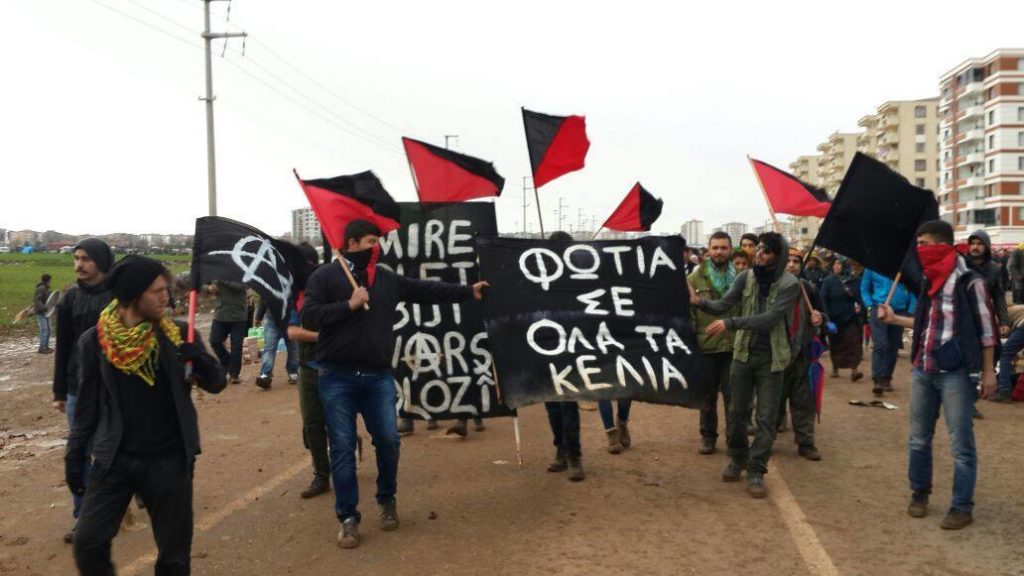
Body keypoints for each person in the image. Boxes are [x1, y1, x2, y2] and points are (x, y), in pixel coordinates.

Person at [301, 219, 488, 549]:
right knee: (343, 448)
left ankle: (387, 499)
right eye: (372, 241)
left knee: (388, 440)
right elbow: (309, 316)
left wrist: (467, 292)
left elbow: (425, 289)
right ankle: (347, 518)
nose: (378, 247)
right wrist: (348, 305)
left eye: (379, 241)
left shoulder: (385, 278)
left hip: (378, 378)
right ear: (353, 243)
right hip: (336, 377)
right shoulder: (325, 277)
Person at [66, 256, 226, 573]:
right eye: (157, 291)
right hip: (115, 459)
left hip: (169, 460)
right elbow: (86, 408)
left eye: (166, 289)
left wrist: (202, 361)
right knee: (88, 542)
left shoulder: (178, 333)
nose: (167, 297)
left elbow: (217, 383)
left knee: (175, 556)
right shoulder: (94, 342)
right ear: (132, 296)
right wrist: (75, 455)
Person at [877, 220, 997, 530]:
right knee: (918, 438)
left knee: (961, 443)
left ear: (942, 245)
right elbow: (924, 325)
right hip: (922, 368)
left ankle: (961, 505)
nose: (919, 251)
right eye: (917, 245)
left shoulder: (970, 281)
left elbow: (987, 332)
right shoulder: (928, 280)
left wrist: (987, 372)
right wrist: (893, 319)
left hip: (956, 374)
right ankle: (920, 493)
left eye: (924, 244)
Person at [691, 232, 800, 499]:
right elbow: (723, 305)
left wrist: (732, 323)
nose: (759, 254)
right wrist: (700, 302)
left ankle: (756, 469)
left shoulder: (789, 284)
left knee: (765, 418)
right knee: (737, 412)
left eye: (766, 251)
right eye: (759, 249)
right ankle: (737, 458)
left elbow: (770, 319)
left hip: (771, 358)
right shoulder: (746, 277)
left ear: (778, 256)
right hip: (742, 354)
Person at [52, 238, 115, 544]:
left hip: (116, 389)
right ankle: (86, 519)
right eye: (76, 258)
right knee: (80, 453)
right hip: (79, 389)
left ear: (101, 261)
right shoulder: (68, 300)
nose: (78, 264)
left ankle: (133, 491)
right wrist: (59, 392)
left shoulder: (120, 297)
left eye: (85, 258)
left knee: (116, 450)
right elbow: (62, 348)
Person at [286, 243, 334, 498]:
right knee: (312, 424)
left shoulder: (332, 289)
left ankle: (342, 464)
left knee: (338, 423)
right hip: (308, 369)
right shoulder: (294, 296)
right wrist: (321, 337)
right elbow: (292, 331)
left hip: (335, 368)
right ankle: (321, 475)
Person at [541, 231, 587, 481]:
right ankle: (560, 449)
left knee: (567, 404)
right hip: (546, 349)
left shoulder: (579, 278)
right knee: (551, 406)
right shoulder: (538, 276)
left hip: (571, 350)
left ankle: (574, 456)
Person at [689, 231, 737, 455]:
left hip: (733, 347)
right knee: (707, 397)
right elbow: (688, 312)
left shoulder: (741, 276)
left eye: (723, 248)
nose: (719, 252)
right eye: (715, 247)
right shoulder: (694, 278)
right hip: (706, 347)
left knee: (733, 398)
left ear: (730, 250)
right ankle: (708, 437)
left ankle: (733, 439)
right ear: (708, 250)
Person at [777, 248, 825, 461]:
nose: (792, 265)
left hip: (803, 356)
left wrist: (819, 318)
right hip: (776, 355)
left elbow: (823, 314)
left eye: (797, 261)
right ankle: (766, 440)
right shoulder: (771, 288)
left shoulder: (809, 289)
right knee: (771, 402)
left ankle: (805, 442)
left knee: (803, 402)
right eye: (788, 260)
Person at [861, 267, 916, 396]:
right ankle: (878, 379)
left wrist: (911, 309)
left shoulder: (904, 267)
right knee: (880, 344)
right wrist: (869, 305)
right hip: (878, 308)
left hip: (899, 310)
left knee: (893, 346)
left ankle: (886, 378)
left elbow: (914, 290)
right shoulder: (871, 267)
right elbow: (864, 288)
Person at [820, 257, 864, 381]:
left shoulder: (855, 281)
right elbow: (823, 298)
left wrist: (859, 306)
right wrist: (827, 317)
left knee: (854, 342)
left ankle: (854, 370)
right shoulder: (828, 281)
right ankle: (835, 367)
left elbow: (860, 297)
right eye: (835, 264)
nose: (837, 266)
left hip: (850, 317)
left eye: (839, 264)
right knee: (836, 343)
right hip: (834, 317)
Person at [255, 297, 300, 389]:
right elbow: (263, 299)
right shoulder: (271, 283)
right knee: (269, 349)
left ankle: (293, 372)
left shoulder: (293, 283)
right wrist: (259, 316)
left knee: (293, 348)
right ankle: (265, 374)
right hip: (273, 319)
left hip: (290, 319)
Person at [207, 280, 247, 385]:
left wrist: (222, 279)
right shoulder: (215, 269)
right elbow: (205, 283)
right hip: (220, 314)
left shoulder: (240, 268)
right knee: (214, 341)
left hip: (238, 315)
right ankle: (227, 363)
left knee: (236, 346)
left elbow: (241, 286)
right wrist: (208, 288)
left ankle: (234, 375)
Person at [34, 273, 53, 353]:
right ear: (47, 280)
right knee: (44, 329)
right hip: (41, 312)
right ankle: (42, 348)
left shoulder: (46, 289)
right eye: (50, 280)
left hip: (46, 312)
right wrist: (44, 308)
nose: (51, 282)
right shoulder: (41, 288)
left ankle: (46, 346)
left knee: (49, 330)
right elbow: (37, 300)